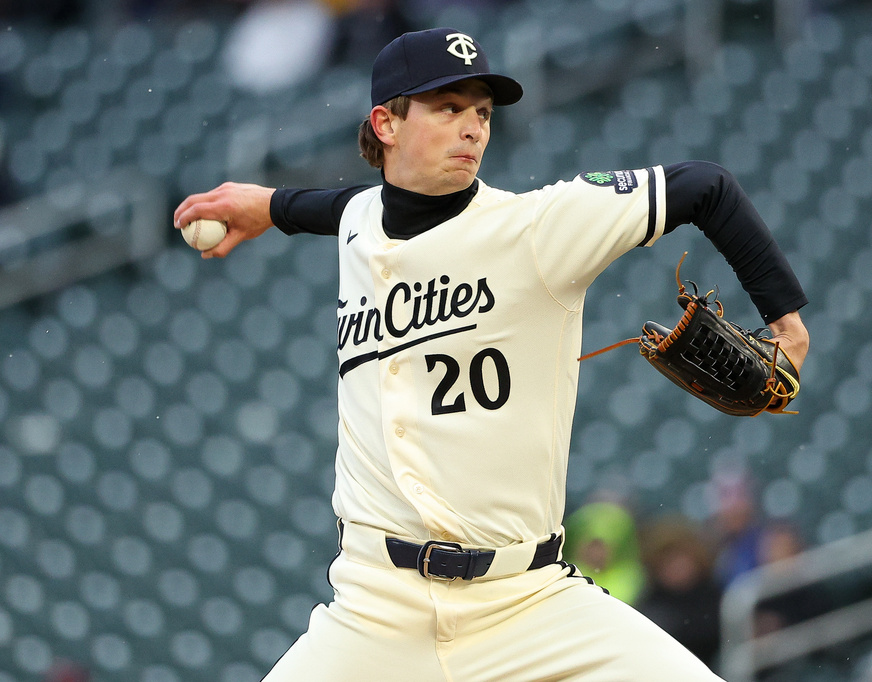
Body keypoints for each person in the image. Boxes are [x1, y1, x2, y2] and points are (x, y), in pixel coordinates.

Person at [174, 26, 809, 682]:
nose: (473, 127)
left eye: (481, 112)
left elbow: (706, 186)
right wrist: (269, 207)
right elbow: (359, 209)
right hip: (373, 613)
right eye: (448, 108)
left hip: (527, 603)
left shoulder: (536, 227)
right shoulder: (362, 222)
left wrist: (787, 323)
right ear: (385, 124)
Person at [636, 515, 723, 668]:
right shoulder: (651, 601)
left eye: (680, 558)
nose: (676, 567)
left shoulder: (713, 595)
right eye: (667, 561)